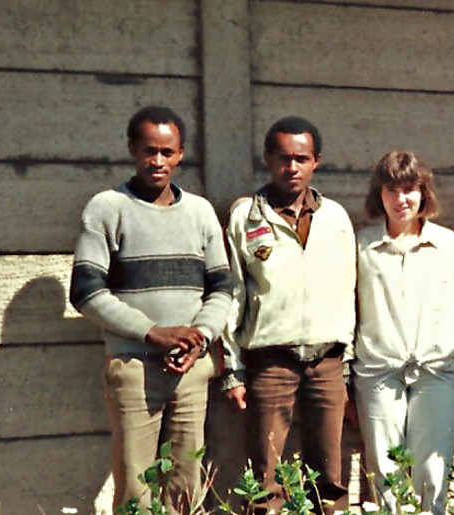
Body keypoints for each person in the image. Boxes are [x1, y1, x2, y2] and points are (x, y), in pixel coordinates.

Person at [70, 106, 233, 514]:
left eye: (167, 152)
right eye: (148, 151)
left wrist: (200, 339)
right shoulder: (106, 208)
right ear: (132, 150)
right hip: (134, 366)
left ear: (181, 154)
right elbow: (86, 292)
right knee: (136, 483)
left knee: (186, 480)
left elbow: (222, 288)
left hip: (190, 370)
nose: (157, 161)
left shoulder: (199, 212)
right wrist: (152, 332)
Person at [219, 116, 356, 514]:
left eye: (301, 158)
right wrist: (232, 369)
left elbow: (349, 291)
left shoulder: (335, 218)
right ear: (267, 159)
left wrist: (347, 362)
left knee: (328, 478)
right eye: (283, 158)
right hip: (271, 361)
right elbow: (233, 295)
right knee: (264, 479)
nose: (291, 167)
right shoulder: (247, 217)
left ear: (316, 162)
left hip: (328, 362)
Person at [354, 151, 454, 515]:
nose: (400, 199)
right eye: (391, 189)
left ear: (424, 194)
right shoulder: (361, 247)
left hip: (435, 372)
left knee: (432, 468)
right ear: (379, 194)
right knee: (385, 471)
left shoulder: (448, 245)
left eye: (409, 189)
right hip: (378, 373)